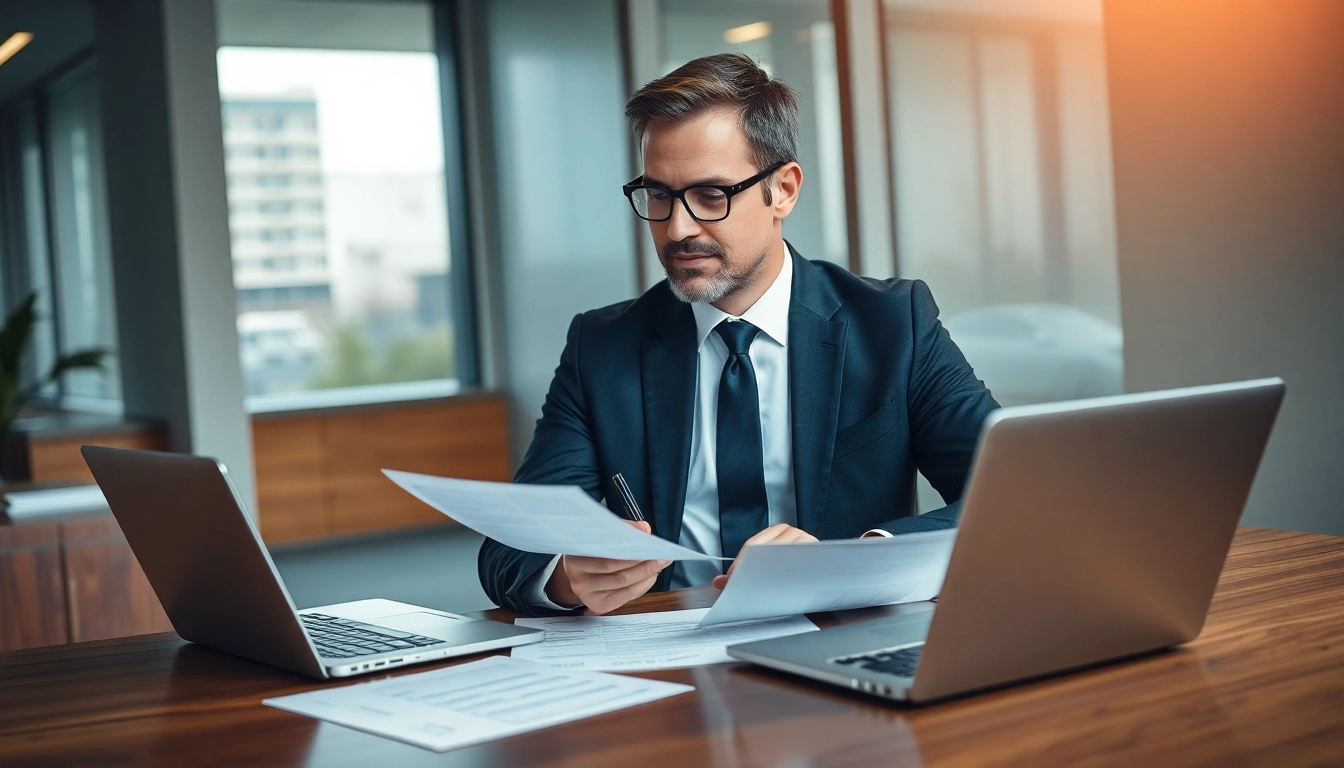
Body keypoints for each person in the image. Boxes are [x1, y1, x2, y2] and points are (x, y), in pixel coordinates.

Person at [479, 53, 998, 616]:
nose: (678, 228)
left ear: (784, 190)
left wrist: (860, 558)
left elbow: (1010, 497)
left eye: (710, 196)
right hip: (669, 654)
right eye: (658, 196)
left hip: (844, 637)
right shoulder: (602, 347)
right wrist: (566, 578)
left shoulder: (894, 324)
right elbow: (509, 548)